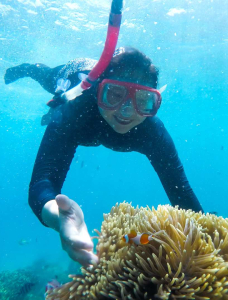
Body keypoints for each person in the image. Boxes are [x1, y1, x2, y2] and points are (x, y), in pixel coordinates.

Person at [4, 47, 204, 267]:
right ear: (99, 90)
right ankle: (29, 69)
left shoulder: (151, 131)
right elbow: (43, 182)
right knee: (48, 77)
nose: (127, 111)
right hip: (75, 72)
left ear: (154, 103)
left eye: (143, 100)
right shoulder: (73, 111)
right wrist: (60, 218)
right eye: (115, 94)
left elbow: (181, 190)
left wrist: (207, 236)